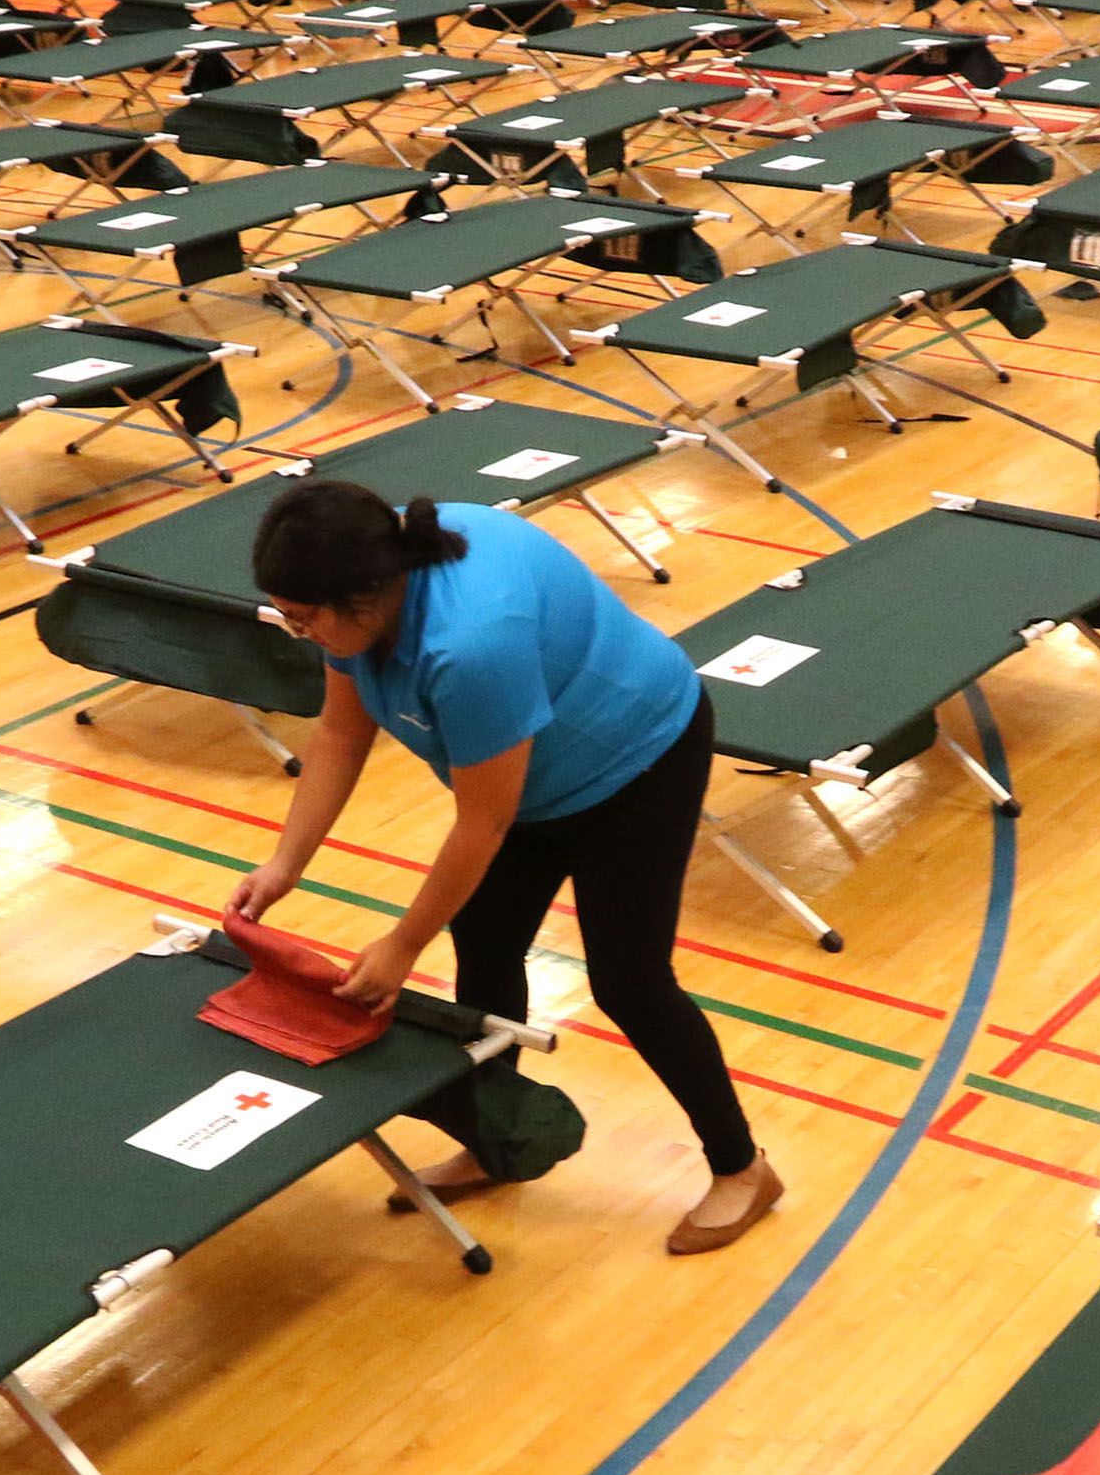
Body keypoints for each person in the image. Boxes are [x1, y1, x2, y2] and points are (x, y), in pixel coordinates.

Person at [230, 482, 783, 1255]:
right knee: (486, 940)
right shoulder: (360, 602)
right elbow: (339, 736)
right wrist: (285, 862)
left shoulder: (470, 644)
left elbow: (482, 821)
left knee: (630, 980)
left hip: (638, 756)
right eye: (287, 616)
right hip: (535, 778)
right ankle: (502, 1139)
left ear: (365, 596)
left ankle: (741, 1166)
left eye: (304, 618)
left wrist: (400, 945)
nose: (298, 633)